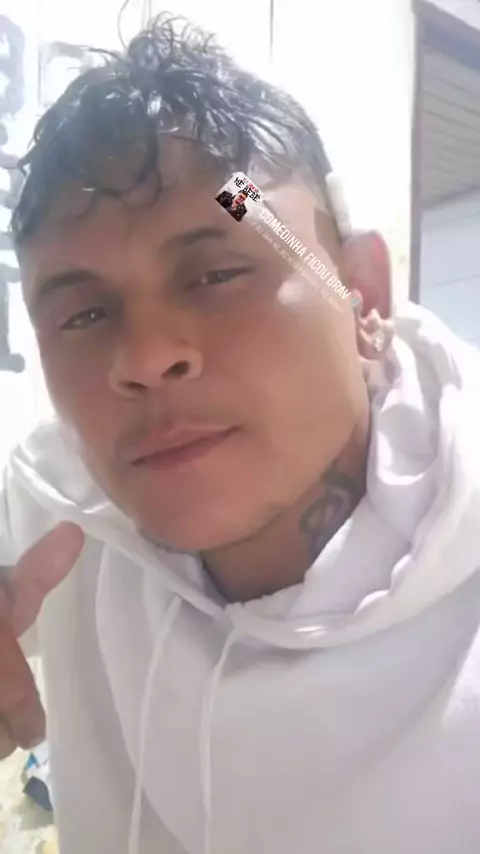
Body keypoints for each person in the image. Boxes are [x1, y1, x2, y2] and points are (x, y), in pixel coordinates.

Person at [1, 13, 480, 854]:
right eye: (84, 315)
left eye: (217, 273)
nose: (145, 358)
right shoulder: (63, 514)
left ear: (362, 296)